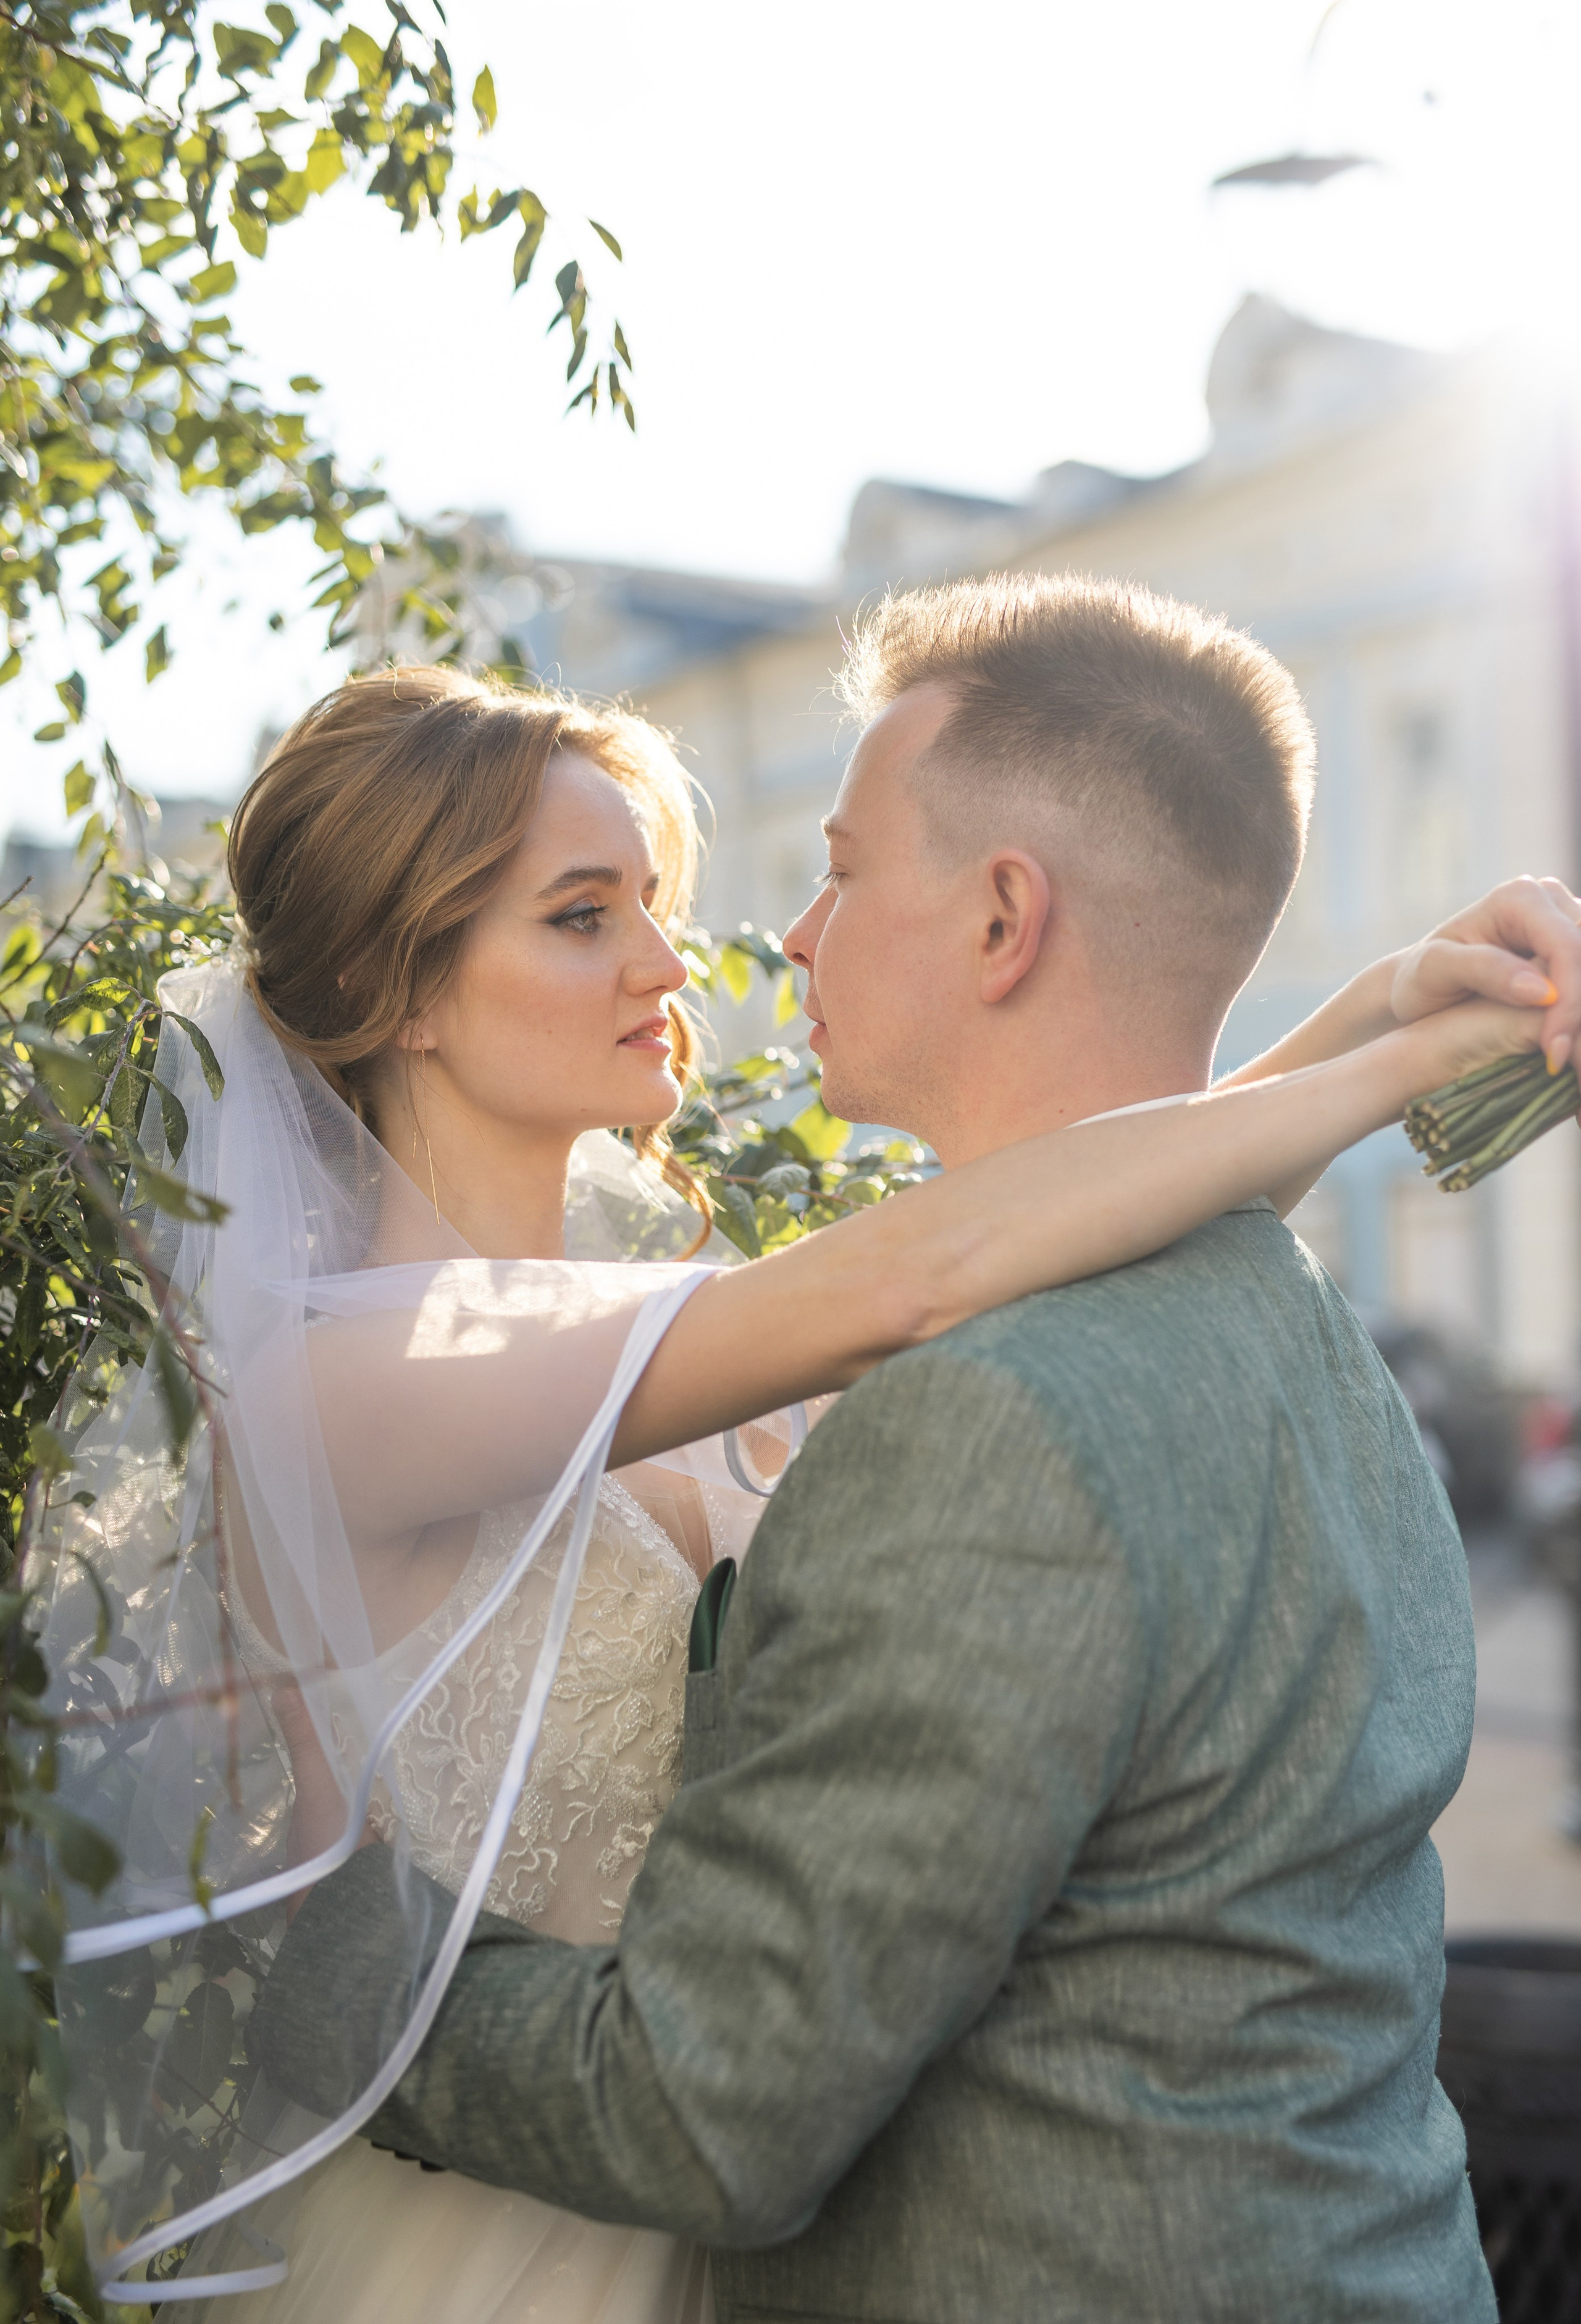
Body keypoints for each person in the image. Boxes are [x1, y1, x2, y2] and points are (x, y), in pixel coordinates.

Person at [222, 579, 1581, 2324]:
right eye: (581, 915)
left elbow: (1018, 1266)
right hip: (487, 2230)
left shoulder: (742, 1329)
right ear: (395, 990)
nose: (699, 955)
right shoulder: (377, 1364)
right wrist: (1386, 1057)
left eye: (656, 897)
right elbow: (944, 1269)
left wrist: (1386, 1019)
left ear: (1003, 917)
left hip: (664, 2172)